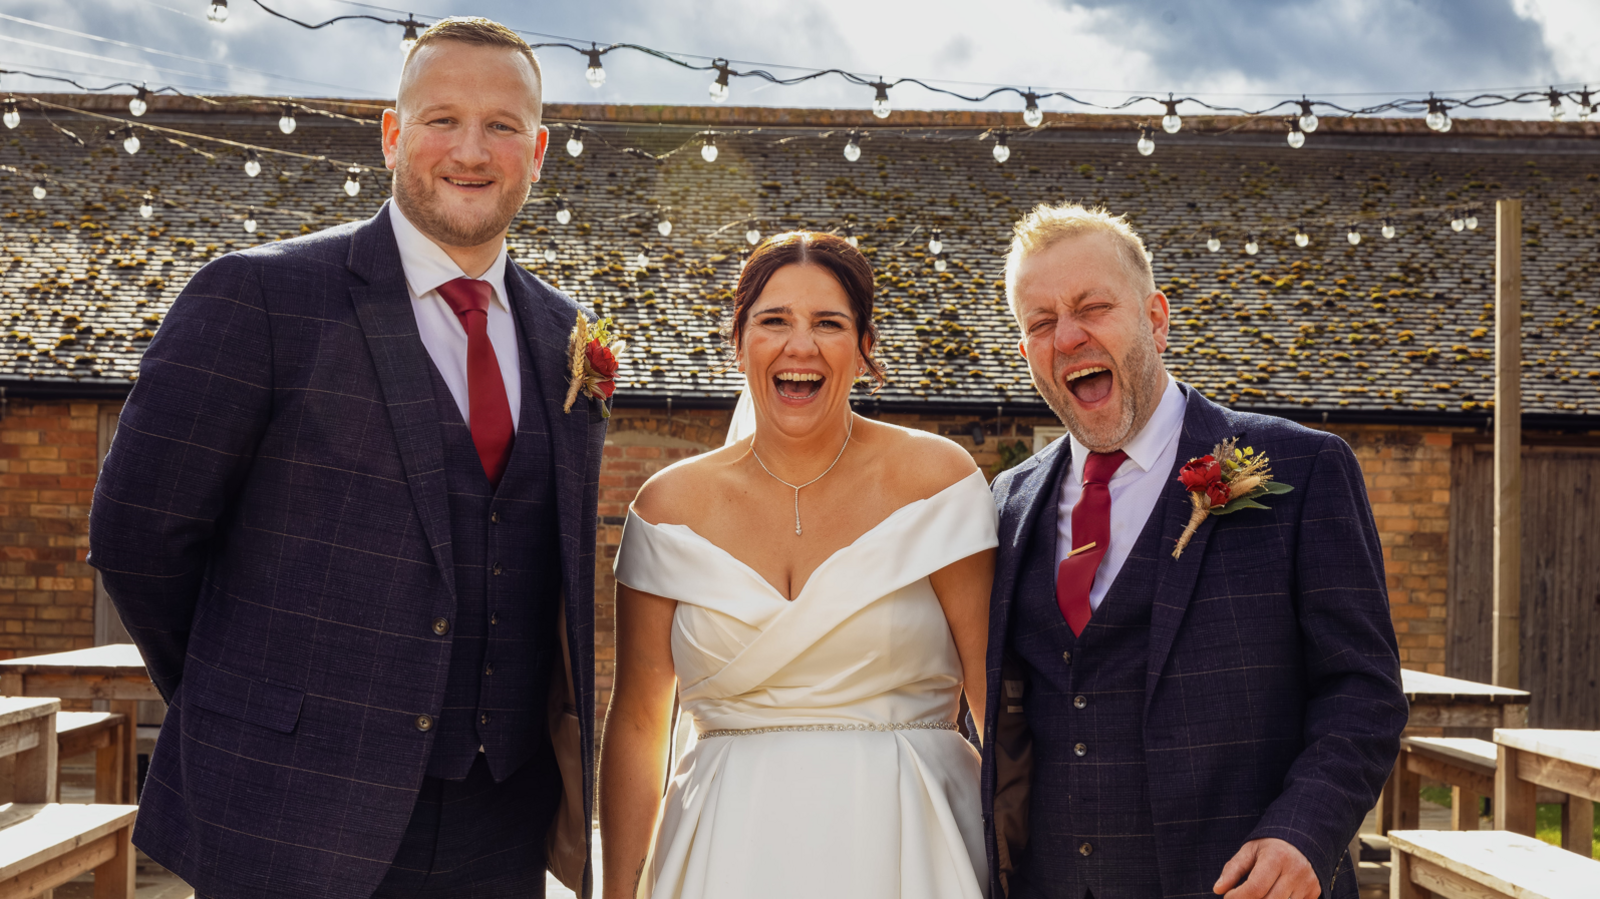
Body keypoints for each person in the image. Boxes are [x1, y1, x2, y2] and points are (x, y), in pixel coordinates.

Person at [88, 17, 603, 899]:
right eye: (442, 118)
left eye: (503, 125)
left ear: (540, 150)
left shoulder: (563, 333)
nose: (471, 150)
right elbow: (139, 536)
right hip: (293, 812)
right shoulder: (259, 296)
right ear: (392, 133)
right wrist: (254, 707)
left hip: (502, 820)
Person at [982, 204, 1407, 899]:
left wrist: (1304, 833)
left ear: (1155, 317)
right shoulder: (1008, 502)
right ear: (1025, 351)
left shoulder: (1305, 467)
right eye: (1040, 322)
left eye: (1093, 305)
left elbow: (1363, 693)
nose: (1068, 335)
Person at [600, 231, 996, 899]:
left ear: (865, 345)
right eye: (774, 320)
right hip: (720, 849)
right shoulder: (666, 506)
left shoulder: (938, 481)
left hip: (913, 844)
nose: (800, 346)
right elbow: (639, 721)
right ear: (739, 340)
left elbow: (995, 704)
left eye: (829, 323)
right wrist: (613, 892)